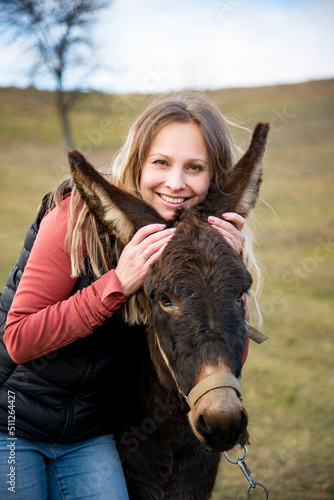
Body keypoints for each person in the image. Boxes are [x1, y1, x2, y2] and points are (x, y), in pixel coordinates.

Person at [0, 91, 259, 499]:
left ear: (214, 176)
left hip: (89, 432)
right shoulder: (76, 218)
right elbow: (16, 338)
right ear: (138, 161)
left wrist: (225, 281)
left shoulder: (201, 244)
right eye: (161, 163)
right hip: (12, 420)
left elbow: (222, 357)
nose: (176, 183)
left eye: (194, 167)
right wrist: (116, 283)